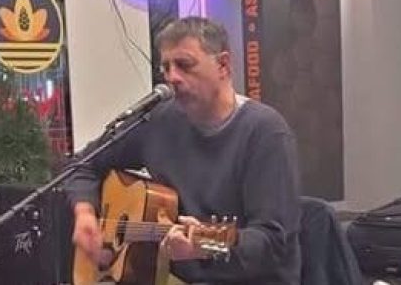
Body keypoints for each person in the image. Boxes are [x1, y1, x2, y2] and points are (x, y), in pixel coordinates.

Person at [64, 16, 301, 284]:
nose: (172, 77)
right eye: (166, 67)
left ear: (223, 65)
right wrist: (85, 214)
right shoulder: (159, 120)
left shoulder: (265, 133)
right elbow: (82, 164)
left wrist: (204, 246)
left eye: (184, 65)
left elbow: (272, 242)